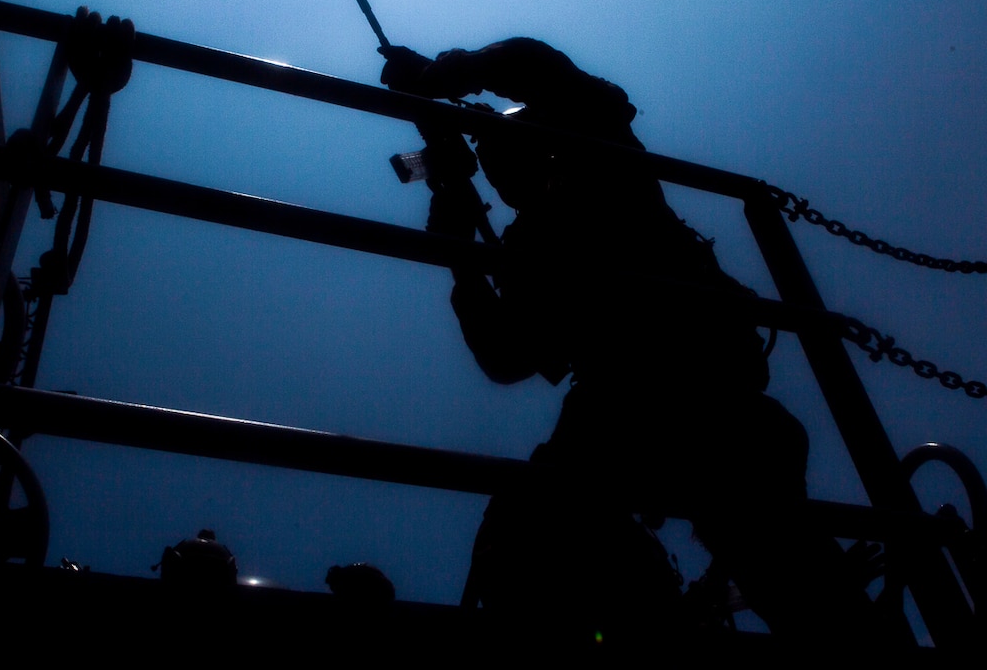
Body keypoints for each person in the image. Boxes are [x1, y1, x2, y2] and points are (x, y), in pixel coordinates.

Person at [378, 38, 883, 649]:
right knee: (525, 530)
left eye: (505, 152)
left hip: (700, 397)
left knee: (788, 573)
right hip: (626, 410)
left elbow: (533, 64)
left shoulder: (606, 165)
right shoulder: (527, 248)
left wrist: (441, 75)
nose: (498, 166)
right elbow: (508, 357)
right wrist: (462, 256)